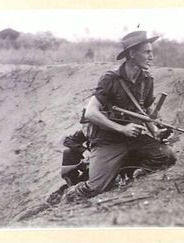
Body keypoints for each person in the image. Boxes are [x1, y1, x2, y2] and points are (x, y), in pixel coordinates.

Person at [65, 30, 177, 200]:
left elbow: (144, 111)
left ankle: (128, 177)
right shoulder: (110, 78)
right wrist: (122, 129)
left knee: (167, 156)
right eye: (146, 52)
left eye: (151, 52)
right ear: (132, 53)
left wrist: (155, 131)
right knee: (94, 189)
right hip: (108, 140)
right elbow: (91, 112)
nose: (151, 56)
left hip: (134, 139)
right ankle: (69, 195)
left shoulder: (147, 80)